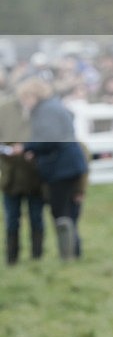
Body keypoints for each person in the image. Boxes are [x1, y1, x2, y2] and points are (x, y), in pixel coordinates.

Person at [12, 77, 87, 261]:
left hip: (61, 167)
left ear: (32, 95)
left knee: (60, 211)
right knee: (69, 212)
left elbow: (48, 139)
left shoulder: (45, 110)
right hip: (69, 163)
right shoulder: (54, 107)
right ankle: (73, 252)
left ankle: (68, 254)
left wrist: (27, 147)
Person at [1, 95, 45, 264]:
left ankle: (37, 257)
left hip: (34, 179)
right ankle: (12, 259)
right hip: (11, 181)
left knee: (36, 218)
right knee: (12, 220)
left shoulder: (39, 118)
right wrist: (9, 150)